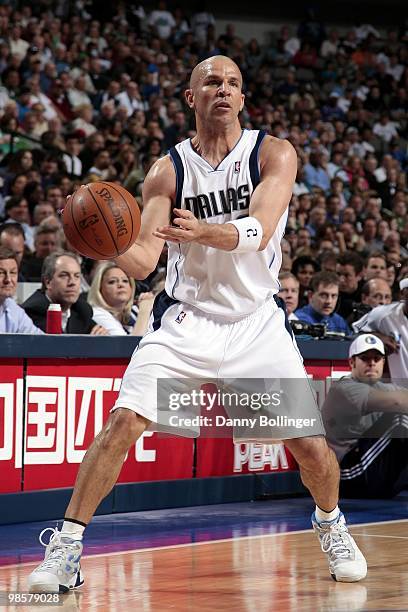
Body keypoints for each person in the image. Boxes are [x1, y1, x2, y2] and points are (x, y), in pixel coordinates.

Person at [28, 56, 367, 593]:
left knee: (309, 448)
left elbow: (260, 227)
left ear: (243, 96)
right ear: (192, 98)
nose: (223, 90)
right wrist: (108, 248)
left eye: (233, 82)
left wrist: (204, 232)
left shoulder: (272, 153)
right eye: (212, 82)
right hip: (187, 321)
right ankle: (66, 549)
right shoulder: (169, 170)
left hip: (257, 323)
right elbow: (143, 259)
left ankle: (331, 524)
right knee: (123, 424)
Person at [322, 334, 408, 498]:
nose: (372, 363)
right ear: (352, 362)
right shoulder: (343, 389)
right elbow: (398, 403)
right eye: (365, 358)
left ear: (383, 362)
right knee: (401, 418)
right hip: (345, 476)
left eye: (377, 358)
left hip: (372, 471)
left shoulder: (387, 388)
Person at [22, 251, 108, 335]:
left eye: (77, 276)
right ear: (48, 282)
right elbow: (58, 345)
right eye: (64, 275)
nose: (72, 282)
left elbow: (98, 334)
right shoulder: (34, 310)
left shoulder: (81, 310)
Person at [352, 276, 408, 380]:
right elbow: (355, 331)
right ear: (403, 294)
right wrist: (375, 337)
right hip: (399, 391)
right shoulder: (383, 314)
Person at [87, 261, 151, 336]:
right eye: (112, 281)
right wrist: (144, 311)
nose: (120, 285)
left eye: (125, 281)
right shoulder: (96, 313)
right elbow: (128, 344)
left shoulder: (134, 310)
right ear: (99, 288)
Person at [0, 246, 43, 334]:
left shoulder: (13, 309)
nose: (8, 279)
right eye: (1, 273)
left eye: (13, 273)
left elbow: (40, 340)